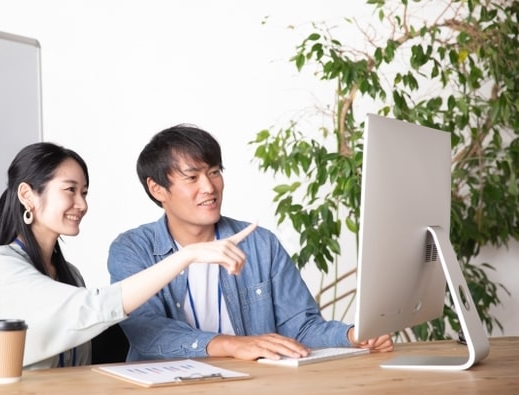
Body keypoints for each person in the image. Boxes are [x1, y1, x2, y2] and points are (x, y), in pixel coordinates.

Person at [0, 142, 256, 375]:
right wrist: (188, 255)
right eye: (70, 190)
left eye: (84, 192)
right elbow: (90, 308)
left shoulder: (70, 275)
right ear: (27, 195)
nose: (81, 204)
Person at [108, 124, 394, 362]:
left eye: (214, 172)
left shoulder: (260, 243)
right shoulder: (132, 249)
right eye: (192, 177)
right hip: (165, 393)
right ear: (157, 189)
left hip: (253, 385)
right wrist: (232, 344)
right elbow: (148, 333)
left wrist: (351, 336)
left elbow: (301, 326)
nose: (209, 187)